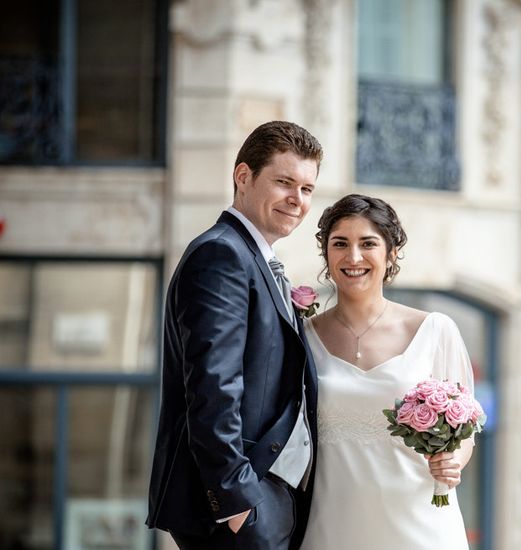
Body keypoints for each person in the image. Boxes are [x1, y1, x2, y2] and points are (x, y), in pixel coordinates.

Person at [146, 121, 322, 550]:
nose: (297, 201)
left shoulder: (253, 258)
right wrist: (237, 502)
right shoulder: (221, 254)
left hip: (269, 498)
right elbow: (212, 386)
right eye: (284, 182)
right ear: (243, 176)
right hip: (239, 506)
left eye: (307, 189)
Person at [299, 194, 476, 550]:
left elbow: (466, 431)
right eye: (340, 244)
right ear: (326, 254)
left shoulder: (435, 330)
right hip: (333, 524)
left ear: (391, 253)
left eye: (368, 244)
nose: (353, 257)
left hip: (420, 524)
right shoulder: (303, 337)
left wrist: (452, 462)